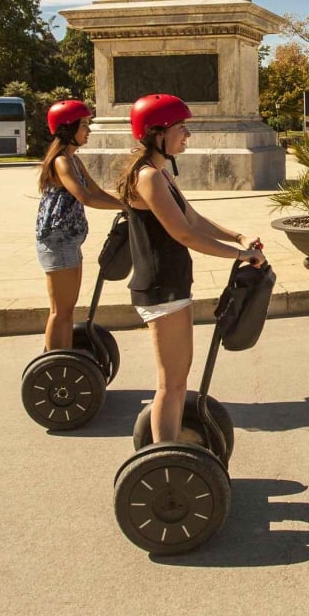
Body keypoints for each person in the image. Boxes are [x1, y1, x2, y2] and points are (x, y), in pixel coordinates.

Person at [118, 93, 266, 443]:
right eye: (180, 128)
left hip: (172, 284)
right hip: (160, 287)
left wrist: (238, 237)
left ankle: (169, 448)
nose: (187, 134)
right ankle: (164, 456)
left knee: (178, 380)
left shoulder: (160, 173)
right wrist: (238, 256)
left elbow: (193, 219)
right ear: (157, 133)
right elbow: (183, 233)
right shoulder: (148, 177)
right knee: (171, 383)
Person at [35, 100, 125, 353]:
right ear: (68, 128)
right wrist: (128, 209)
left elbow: (96, 191)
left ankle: (65, 355)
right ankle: (55, 361)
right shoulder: (61, 162)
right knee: (60, 310)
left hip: (70, 241)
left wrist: (127, 205)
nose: (89, 130)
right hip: (58, 241)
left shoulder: (74, 160)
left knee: (67, 308)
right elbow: (85, 197)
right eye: (84, 125)